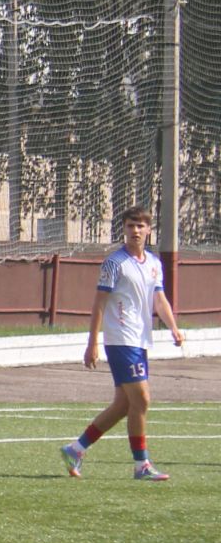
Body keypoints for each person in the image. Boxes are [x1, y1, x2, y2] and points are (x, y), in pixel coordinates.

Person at [60, 206, 184, 481]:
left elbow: (159, 299)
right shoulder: (114, 263)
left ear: (149, 229)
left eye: (140, 226)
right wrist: (92, 342)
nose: (135, 231)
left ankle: (75, 449)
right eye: (130, 226)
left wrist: (173, 327)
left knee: (123, 405)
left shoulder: (153, 263)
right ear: (124, 229)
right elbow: (99, 303)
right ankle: (142, 465)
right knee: (142, 399)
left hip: (139, 340)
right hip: (120, 339)